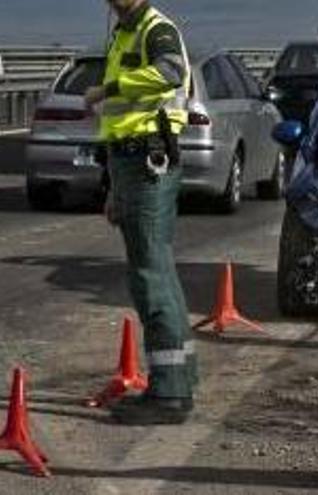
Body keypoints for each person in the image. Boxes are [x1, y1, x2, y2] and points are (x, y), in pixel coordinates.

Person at [84, 0, 196, 425]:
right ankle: (179, 379)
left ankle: (168, 394)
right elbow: (120, 122)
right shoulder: (124, 32)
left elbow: (170, 73)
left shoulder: (154, 28)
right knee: (156, 271)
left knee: (151, 275)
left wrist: (106, 90)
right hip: (130, 164)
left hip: (147, 162)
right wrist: (114, 185)